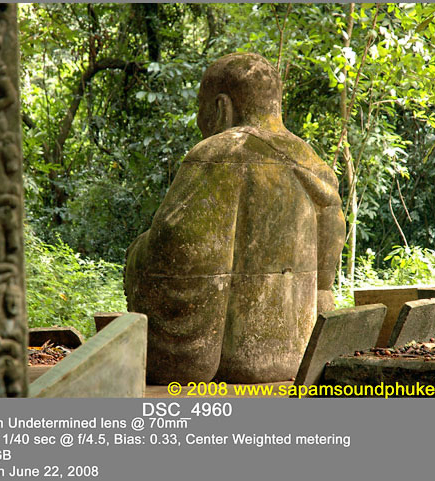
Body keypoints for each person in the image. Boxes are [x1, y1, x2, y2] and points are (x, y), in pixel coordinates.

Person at [125, 53, 345, 384]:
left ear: (221, 107)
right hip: (297, 356)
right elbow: (328, 263)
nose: (198, 119)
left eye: (200, 107)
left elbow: (181, 248)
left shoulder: (220, 153)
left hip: (233, 362)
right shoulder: (312, 160)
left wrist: (138, 252)